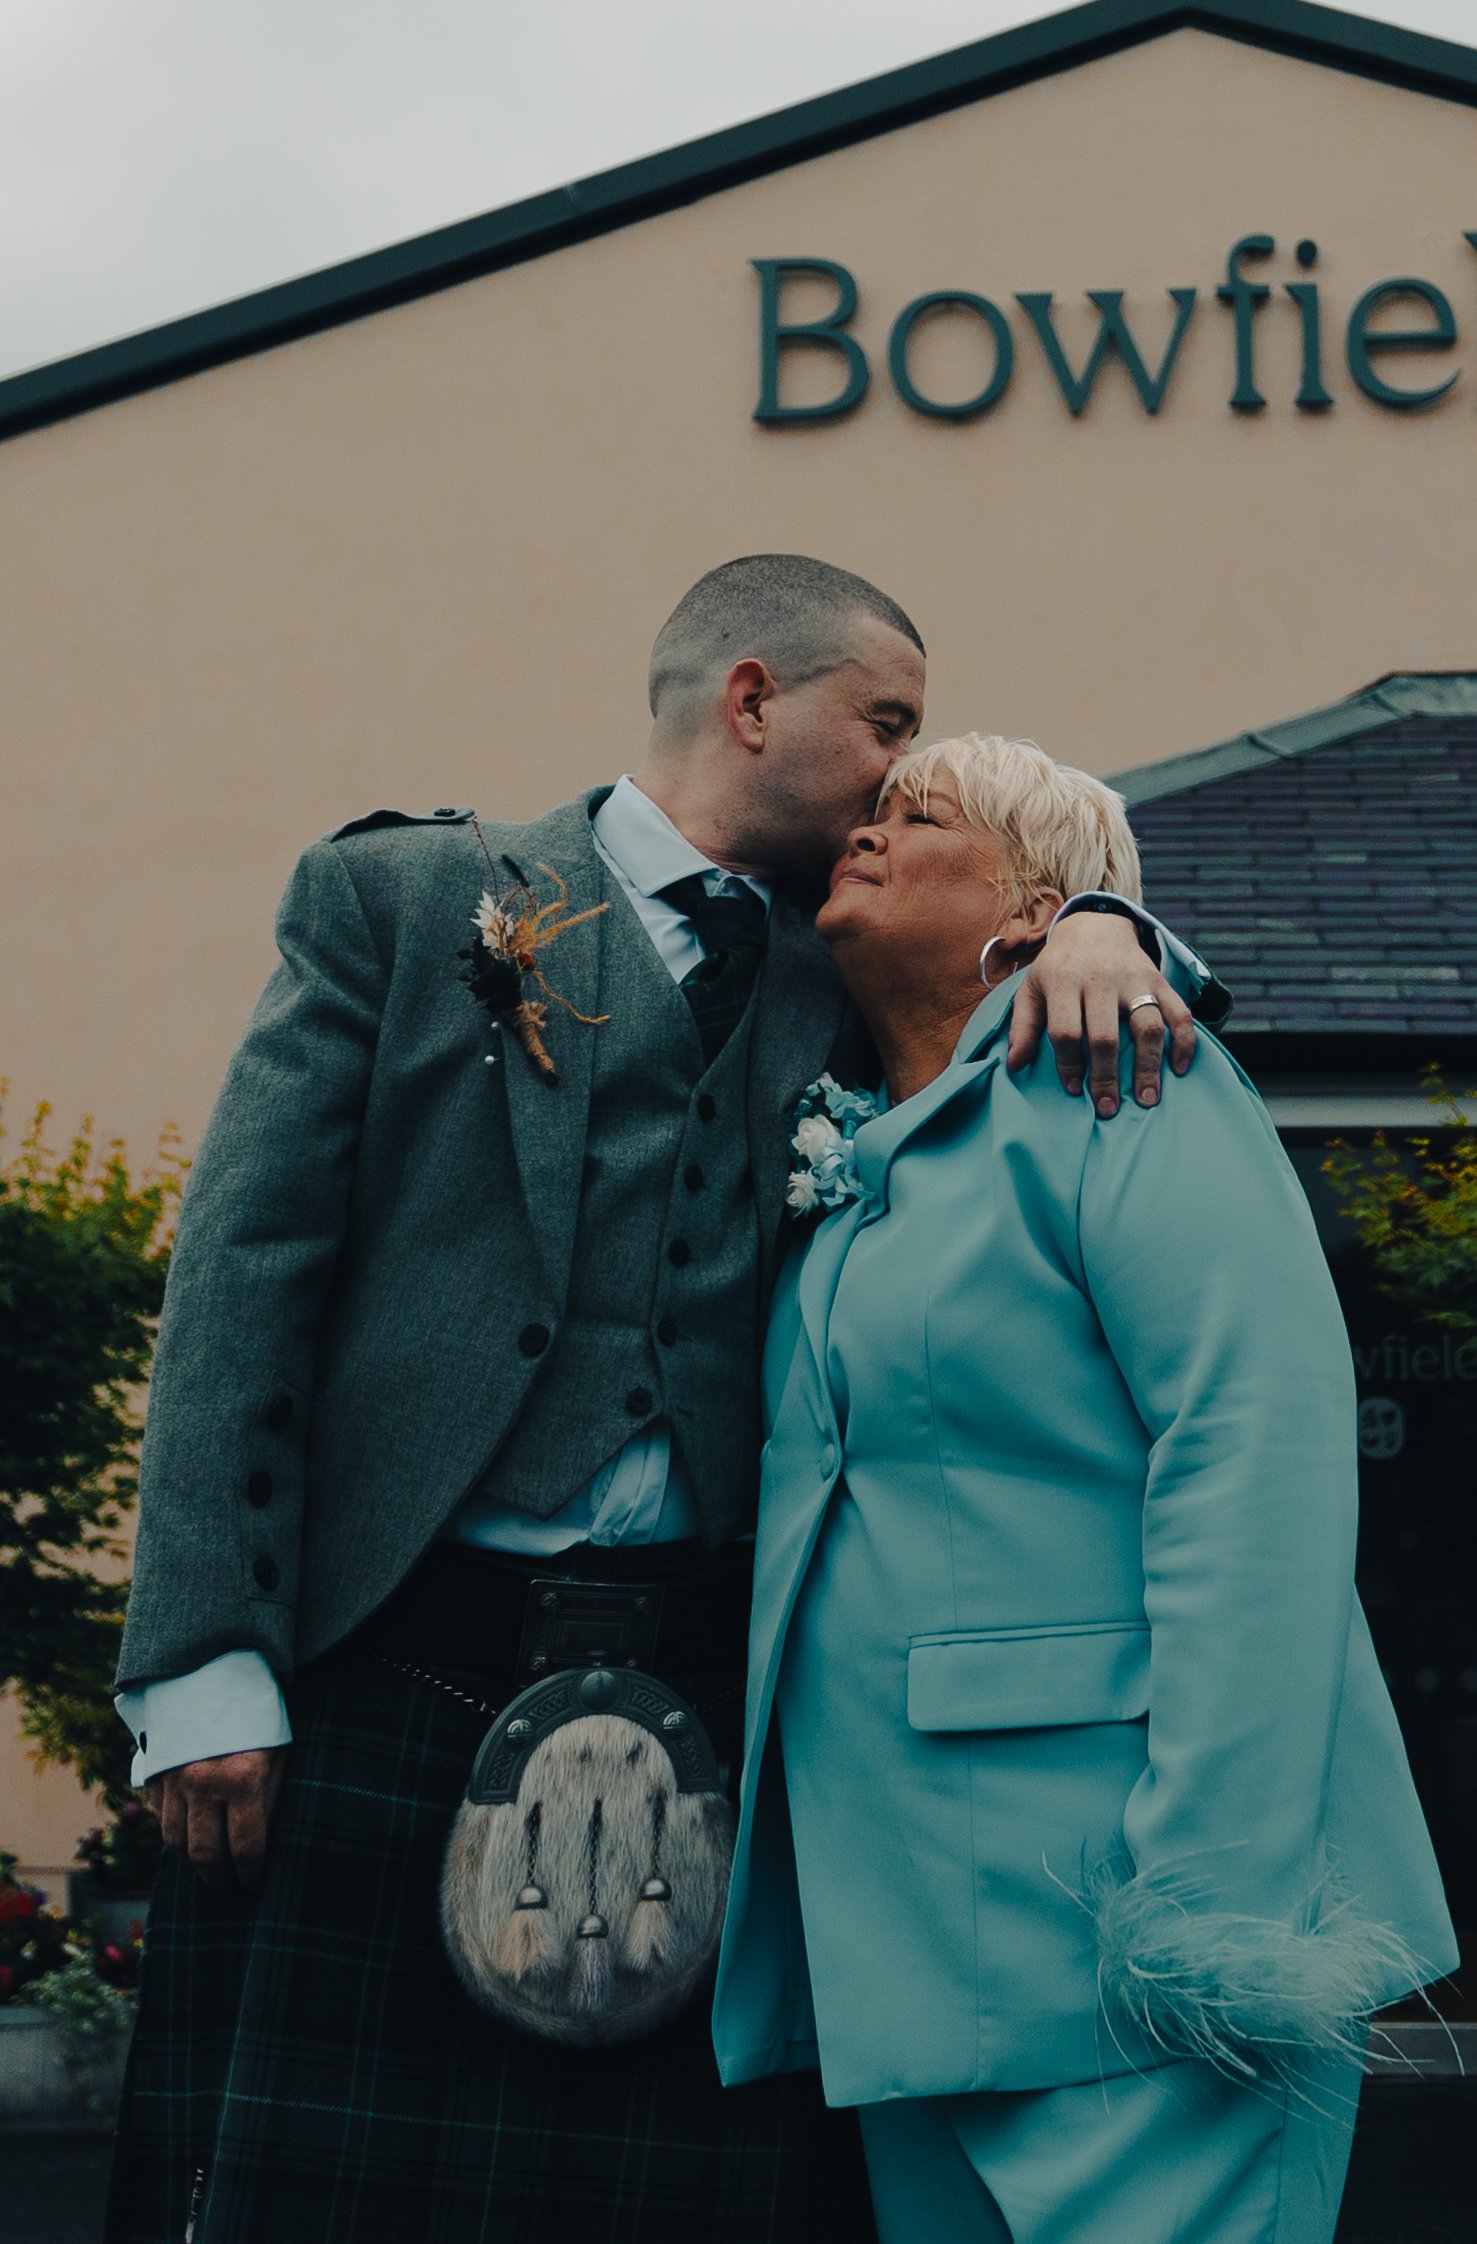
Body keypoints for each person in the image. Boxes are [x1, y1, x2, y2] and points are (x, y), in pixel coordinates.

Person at [107, 561, 1221, 2244]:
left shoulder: (842, 961)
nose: (904, 780)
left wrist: (1104, 923)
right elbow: (242, 1284)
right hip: (387, 1661)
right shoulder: (406, 903)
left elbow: (1105, 984)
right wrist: (202, 1655)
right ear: (753, 699)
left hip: (712, 1676)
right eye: (886, 726)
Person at [710, 732, 1457, 2244]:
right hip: (913, 1960)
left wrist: (1205, 1908)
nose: (864, 834)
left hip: (1123, 1938)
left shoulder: (1131, 1083)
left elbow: (1253, 1469)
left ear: (1039, 910)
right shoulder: (860, 1156)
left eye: (919, 818)